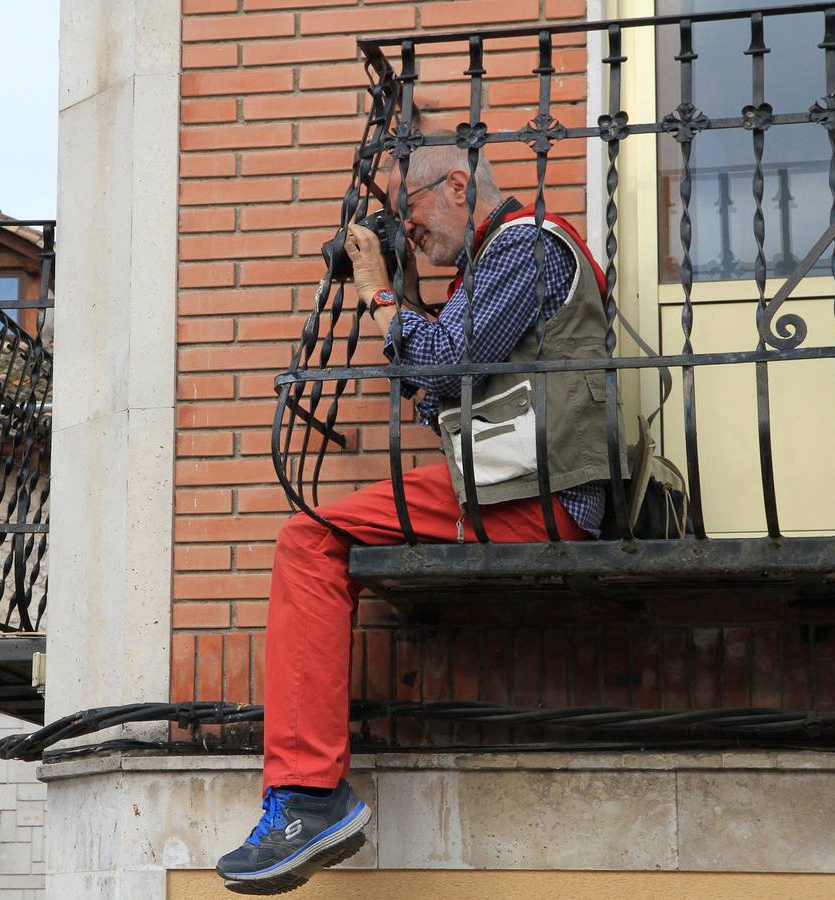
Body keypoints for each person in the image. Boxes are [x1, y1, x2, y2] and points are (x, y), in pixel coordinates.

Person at [216, 140, 611, 895]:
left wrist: (377, 290)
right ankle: (305, 795)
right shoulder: (490, 262)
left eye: (411, 211)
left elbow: (433, 370)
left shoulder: (525, 246)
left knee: (308, 540)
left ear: (457, 186)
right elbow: (438, 392)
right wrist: (406, 306)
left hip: (535, 492)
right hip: (512, 484)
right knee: (313, 538)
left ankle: (306, 796)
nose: (410, 232)